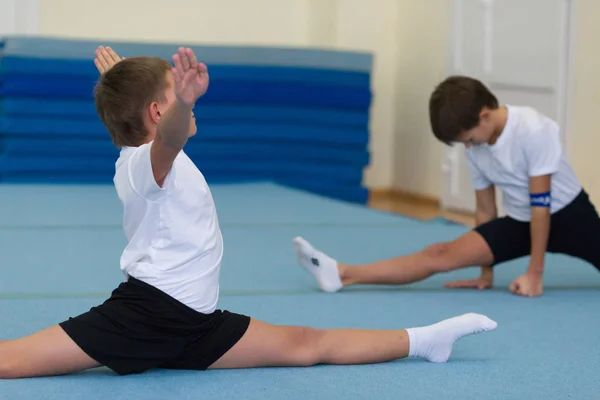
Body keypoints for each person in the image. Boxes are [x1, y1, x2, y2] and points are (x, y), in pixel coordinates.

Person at [0, 48, 498, 379]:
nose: (188, 104)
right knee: (15, 359)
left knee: (307, 344)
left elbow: (154, 121)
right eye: (176, 95)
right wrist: (183, 104)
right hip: (145, 317)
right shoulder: (141, 164)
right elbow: (168, 139)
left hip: (193, 322)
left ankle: (424, 340)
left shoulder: (147, 150)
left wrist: (117, 75)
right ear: (157, 113)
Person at [294, 75, 600, 298]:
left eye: (468, 138)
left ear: (484, 115)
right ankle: (343, 274)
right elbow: (484, 209)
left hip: (568, 215)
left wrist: (535, 274)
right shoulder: (475, 145)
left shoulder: (534, 128)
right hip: (522, 221)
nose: (467, 148)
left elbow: (541, 205)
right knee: (439, 253)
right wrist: (486, 270)